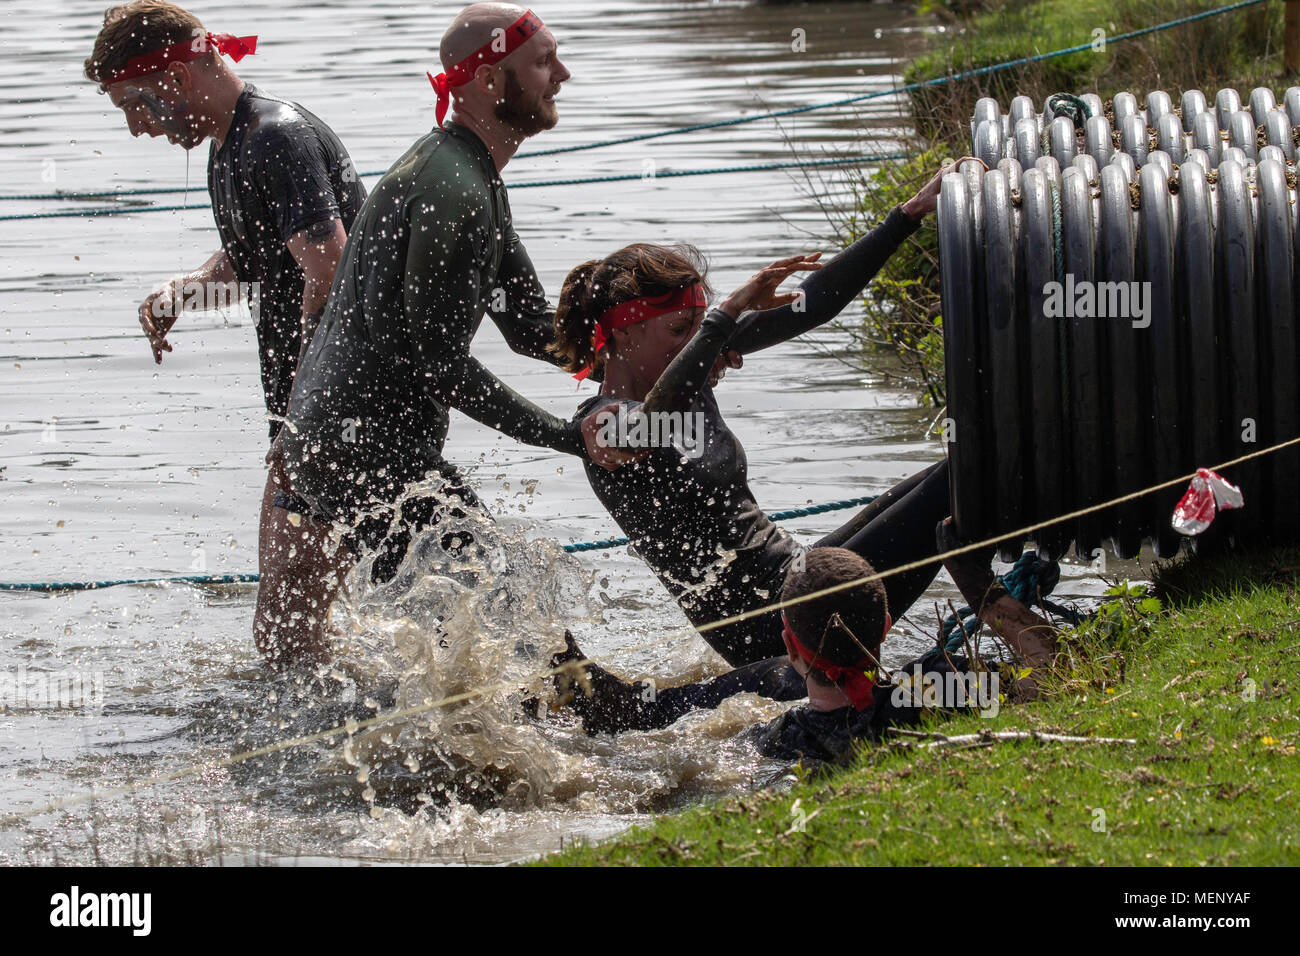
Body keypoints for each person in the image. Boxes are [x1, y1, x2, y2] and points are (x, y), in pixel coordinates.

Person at [280, 3, 631, 609]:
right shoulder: (457, 192)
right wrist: (570, 434)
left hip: (333, 441)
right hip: (362, 449)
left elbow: (527, 328)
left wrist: (647, 364)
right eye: (545, 62)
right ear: (491, 81)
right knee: (506, 607)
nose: (564, 74)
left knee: (464, 620)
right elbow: (441, 367)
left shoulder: (470, 173)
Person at [548, 163, 954, 674]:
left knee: (957, 473)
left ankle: (1008, 603)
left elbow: (813, 307)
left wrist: (909, 214)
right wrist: (720, 323)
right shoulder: (603, 425)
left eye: (701, 326)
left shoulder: (693, 365)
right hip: (769, 629)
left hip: (800, 578)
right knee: (957, 487)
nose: (700, 343)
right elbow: (651, 420)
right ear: (623, 335)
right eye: (681, 330)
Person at [84, 1, 365, 669]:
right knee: (310, 623)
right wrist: (187, 289)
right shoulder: (234, 145)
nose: (135, 129)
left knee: (286, 634)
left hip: (340, 411)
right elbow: (259, 260)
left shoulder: (275, 137)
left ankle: (336, 760)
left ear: (176, 82)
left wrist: (303, 421)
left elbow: (328, 275)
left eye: (135, 106)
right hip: (331, 407)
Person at [553, 547, 1054, 765]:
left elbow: (687, 764)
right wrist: (982, 590)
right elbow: (1054, 675)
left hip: (790, 704)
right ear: (885, 627)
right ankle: (625, 703)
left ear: (792, 644)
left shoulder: (773, 738)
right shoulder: (945, 685)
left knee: (750, 687)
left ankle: (609, 694)